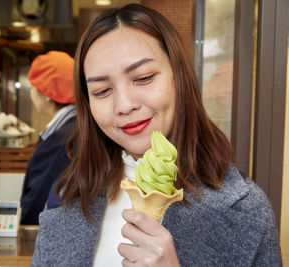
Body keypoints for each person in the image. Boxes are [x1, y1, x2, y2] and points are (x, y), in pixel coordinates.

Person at [31, 4, 282, 267]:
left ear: (179, 77)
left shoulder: (246, 207)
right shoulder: (67, 193)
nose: (124, 104)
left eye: (143, 77)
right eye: (102, 91)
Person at [20, 51, 76, 225]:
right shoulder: (74, 126)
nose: (31, 94)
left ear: (46, 93)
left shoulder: (61, 140)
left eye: (33, 88)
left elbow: (38, 198)